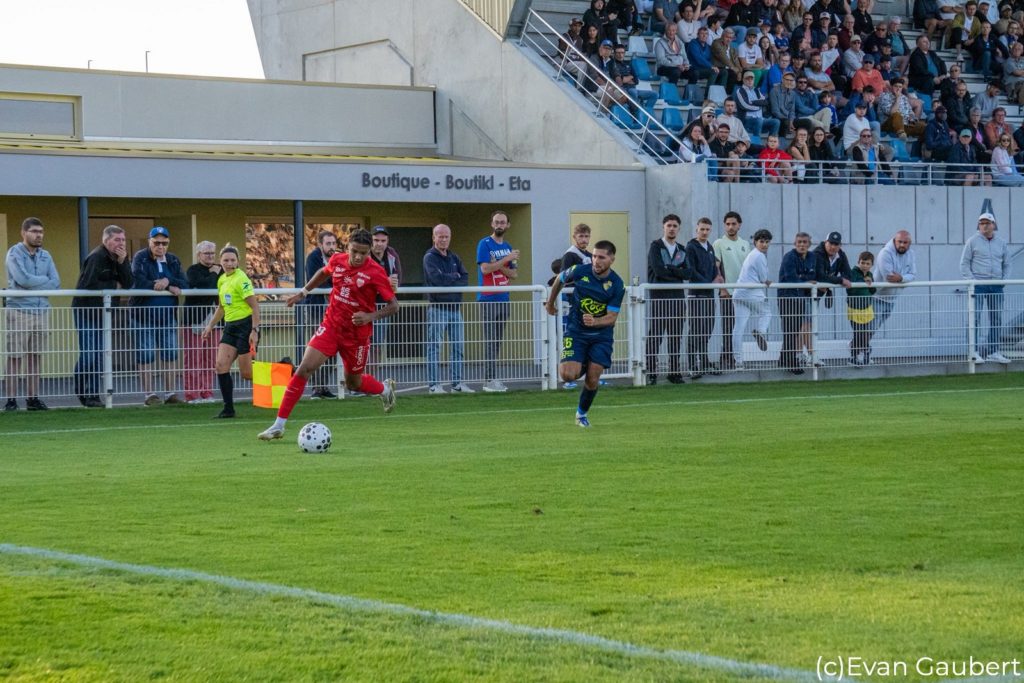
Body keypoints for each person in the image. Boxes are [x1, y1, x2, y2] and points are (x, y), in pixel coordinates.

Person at [258, 229, 398, 440]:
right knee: (304, 369)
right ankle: (278, 425)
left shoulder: (376, 272)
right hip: (331, 327)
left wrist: (370, 316)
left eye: (363, 253)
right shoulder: (337, 260)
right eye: (354, 251)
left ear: (369, 251)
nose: (358, 257)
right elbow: (323, 273)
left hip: (356, 336)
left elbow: (394, 306)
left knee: (353, 383)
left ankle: (384, 390)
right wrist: (303, 292)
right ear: (347, 247)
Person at [544, 240, 625, 428]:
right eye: (594, 256)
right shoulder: (580, 270)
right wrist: (550, 302)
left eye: (601, 257)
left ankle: (581, 414)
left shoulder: (617, 284)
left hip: (601, 336)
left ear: (612, 259)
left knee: (593, 378)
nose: (596, 260)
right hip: (576, 331)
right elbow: (560, 279)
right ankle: (584, 362)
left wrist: (596, 321)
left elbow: (612, 317)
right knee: (567, 375)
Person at [72, 224, 132, 408]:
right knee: (89, 354)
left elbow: (129, 283)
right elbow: (88, 285)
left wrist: (123, 263)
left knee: (99, 356)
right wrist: (114, 286)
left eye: (123, 240)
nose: (121, 243)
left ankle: (93, 395)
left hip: (104, 314)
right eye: (117, 240)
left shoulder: (121, 258)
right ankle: (82, 390)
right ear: (106, 240)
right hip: (86, 311)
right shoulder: (96, 257)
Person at [4, 217, 60, 412]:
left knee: (35, 356)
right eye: (34, 231)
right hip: (19, 310)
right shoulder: (14, 253)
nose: (39, 235)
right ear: (24, 233)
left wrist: (34, 283)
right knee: (15, 356)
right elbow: (23, 279)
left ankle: (33, 398)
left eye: (41, 232)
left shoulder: (46, 255)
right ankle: (11, 400)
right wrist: (43, 281)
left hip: (41, 311)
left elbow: (56, 282)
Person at [200, 245, 260, 418]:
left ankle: (284, 370)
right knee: (221, 366)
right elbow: (221, 307)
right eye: (226, 260)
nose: (229, 263)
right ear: (220, 262)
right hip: (230, 327)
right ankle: (228, 409)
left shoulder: (241, 279)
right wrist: (210, 326)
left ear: (238, 262)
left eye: (233, 260)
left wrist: (254, 330)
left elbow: (255, 307)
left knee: (247, 374)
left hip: (245, 326)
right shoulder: (221, 280)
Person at [130, 226, 188, 407]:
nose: (160, 246)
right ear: (150, 242)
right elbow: (138, 280)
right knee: (146, 354)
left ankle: (170, 393)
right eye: (157, 243)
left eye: (164, 243)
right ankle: (149, 394)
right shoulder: (140, 257)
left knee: (170, 353)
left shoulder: (173, 260)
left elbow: (185, 282)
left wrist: (168, 281)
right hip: (143, 316)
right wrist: (165, 285)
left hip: (167, 316)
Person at [423, 224, 474, 394]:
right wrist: (454, 276)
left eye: (446, 237)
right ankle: (434, 385)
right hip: (438, 308)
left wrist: (450, 279)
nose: (443, 240)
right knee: (434, 347)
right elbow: (437, 280)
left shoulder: (454, 257)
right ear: (434, 237)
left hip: (455, 309)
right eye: (440, 236)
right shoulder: (429, 257)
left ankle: (457, 384)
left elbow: (465, 277)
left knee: (458, 347)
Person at [960, 212, 1012, 364]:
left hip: (996, 285)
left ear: (993, 225)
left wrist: (1004, 280)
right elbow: (964, 264)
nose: (984, 226)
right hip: (978, 286)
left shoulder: (1001, 242)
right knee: (974, 318)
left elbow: (1007, 264)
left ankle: (993, 351)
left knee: (996, 318)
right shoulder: (972, 241)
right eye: (981, 223)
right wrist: (972, 282)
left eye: (987, 223)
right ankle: (974, 352)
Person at [477, 210, 519, 393]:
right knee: (490, 340)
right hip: (488, 298)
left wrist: (500, 263)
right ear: (491, 224)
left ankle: (493, 377)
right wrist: (506, 260)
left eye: (502, 222)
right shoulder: (485, 244)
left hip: (504, 297)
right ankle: (489, 380)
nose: (499, 225)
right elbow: (485, 269)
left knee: (497, 340)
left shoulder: (508, 246)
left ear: (507, 225)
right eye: (496, 222)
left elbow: (514, 274)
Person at [646, 214, 690, 384]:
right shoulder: (655, 247)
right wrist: (677, 272)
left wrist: (670, 269)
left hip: (677, 299)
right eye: (669, 225)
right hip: (659, 298)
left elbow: (688, 273)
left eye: (675, 226)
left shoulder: (682, 249)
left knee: (675, 336)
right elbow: (659, 271)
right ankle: (652, 372)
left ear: (679, 228)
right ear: (663, 227)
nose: (672, 228)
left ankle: (674, 372)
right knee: (655, 335)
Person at [302, 230, 339, 399]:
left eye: (333, 243)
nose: (331, 247)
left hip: (334, 311)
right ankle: (316, 387)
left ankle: (323, 385)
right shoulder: (313, 258)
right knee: (317, 348)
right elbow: (317, 281)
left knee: (332, 349)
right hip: (316, 309)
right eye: (328, 243)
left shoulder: (337, 257)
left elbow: (340, 279)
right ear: (320, 244)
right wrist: (332, 282)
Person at [685, 218, 724, 378]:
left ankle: (705, 363)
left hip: (709, 295)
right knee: (695, 330)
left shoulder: (710, 247)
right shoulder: (691, 247)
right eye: (702, 229)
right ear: (697, 229)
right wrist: (708, 283)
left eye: (707, 229)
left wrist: (717, 278)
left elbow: (714, 268)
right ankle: (692, 365)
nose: (705, 232)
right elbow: (691, 271)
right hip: (696, 295)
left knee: (707, 329)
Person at [184, 240, 221, 404]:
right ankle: (192, 394)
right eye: (207, 253)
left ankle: (207, 392)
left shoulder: (220, 269)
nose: (210, 256)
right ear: (199, 255)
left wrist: (215, 273)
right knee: (193, 358)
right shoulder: (193, 270)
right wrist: (213, 274)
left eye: (212, 253)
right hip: (195, 320)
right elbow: (203, 286)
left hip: (215, 319)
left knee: (210, 358)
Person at [713, 211, 752, 369]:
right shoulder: (718, 243)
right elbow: (716, 267)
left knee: (739, 327)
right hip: (727, 293)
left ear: (739, 225)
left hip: (742, 292)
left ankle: (736, 358)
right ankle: (727, 358)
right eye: (728, 224)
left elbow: (748, 269)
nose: (730, 227)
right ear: (724, 225)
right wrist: (722, 289)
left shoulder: (745, 244)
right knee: (728, 326)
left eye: (733, 224)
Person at [731, 228, 773, 369]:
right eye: (761, 241)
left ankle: (738, 361)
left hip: (739, 293)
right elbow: (763, 278)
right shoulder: (759, 256)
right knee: (766, 313)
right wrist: (766, 280)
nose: (764, 244)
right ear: (755, 242)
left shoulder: (752, 254)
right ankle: (761, 331)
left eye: (767, 242)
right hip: (752, 292)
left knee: (739, 328)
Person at [777, 232, 817, 374]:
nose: (802, 244)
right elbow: (791, 278)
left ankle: (783, 359)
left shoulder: (811, 257)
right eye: (799, 242)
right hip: (787, 297)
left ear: (809, 244)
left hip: (800, 297)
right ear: (795, 244)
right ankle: (791, 362)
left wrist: (802, 278)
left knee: (794, 330)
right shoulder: (789, 257)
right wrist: (805, 280)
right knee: (790, 330)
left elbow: (812, 275)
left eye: (804, 242)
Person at [368, 225, 403, 371]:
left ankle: (370, 378)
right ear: (371, 240)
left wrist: (392, 284)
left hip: (383, 306)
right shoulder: (364, 254)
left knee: (377, 345)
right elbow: (361, 279)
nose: (379, 244)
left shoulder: (391, 254)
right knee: (360, 345)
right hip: (363, 305)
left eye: (383, 241)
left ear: (387, 241)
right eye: (376, 240)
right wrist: (384, 282)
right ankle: (357, 380)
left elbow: (398, 279)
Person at [872, 229, 916, 334]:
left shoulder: (911, 254)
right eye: (899, 241)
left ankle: (859, 343)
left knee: (873, 329)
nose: (902, 245)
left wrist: (901, 278)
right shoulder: (885, 253)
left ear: (910, 243)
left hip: (892, 299)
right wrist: (905, 279)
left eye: (905, 242)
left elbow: (913, 275)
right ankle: (858, 343)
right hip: (876, 297)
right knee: (869, 329)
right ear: (894, 240)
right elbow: (890, 278)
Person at [812, 232, 853, 318]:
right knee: (802, 322)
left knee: (809, 321)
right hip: (803, 294)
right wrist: (840, 280)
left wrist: (829, 280)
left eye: (836, 244)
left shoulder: (840, 254)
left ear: (840, 245)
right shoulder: (817, 254)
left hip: (816, 294)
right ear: (825, 242)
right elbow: (821, 277)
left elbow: (848, 275)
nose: (833, 247)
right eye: (831, 243)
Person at [847, 251, 877, 365]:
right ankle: (854, 356)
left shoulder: (870, 274)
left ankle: (866, 351)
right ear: (858, 262)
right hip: (854, 308)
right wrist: (863, 281)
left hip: (867, 308)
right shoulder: (853, 272)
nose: (865, 266)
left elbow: (873, 291)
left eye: (867, 263)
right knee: (858, 332)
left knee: (866, 333)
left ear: (871, 265)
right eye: (862, 263)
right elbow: (850, 289)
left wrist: (871, 283)